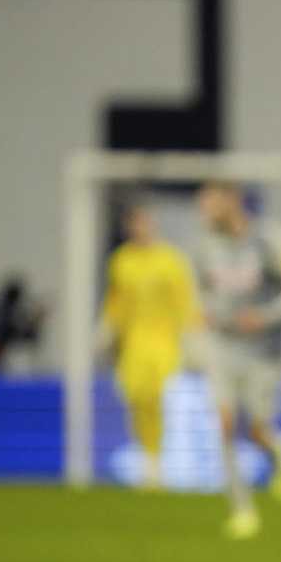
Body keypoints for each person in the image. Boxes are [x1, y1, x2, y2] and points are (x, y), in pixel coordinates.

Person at [195, 181, 281, 539]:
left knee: (258, 430)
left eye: (210, 203)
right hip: (222, 346)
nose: (204, 211)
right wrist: (205, 313)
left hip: (264, 351)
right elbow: (201, 290)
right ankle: (242, 510)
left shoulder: (268, 240)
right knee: (225, 424)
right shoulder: (205, 246)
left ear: (232, 201)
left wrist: (265, 316)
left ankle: (278, 453)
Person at [98, 202, 198, 488]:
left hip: (164, 341)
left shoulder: (170, 260)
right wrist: (106, 329)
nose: (140, 229)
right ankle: (148, 457)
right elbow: (116, 301)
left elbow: (184, 300)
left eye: (144, 222)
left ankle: (158, 457)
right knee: (136, 397)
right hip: (134, 342)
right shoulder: (121, 261)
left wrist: (191, 333)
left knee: (159, 397)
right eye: (135, 224)